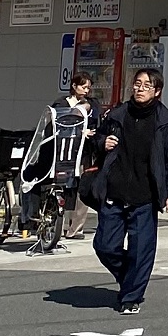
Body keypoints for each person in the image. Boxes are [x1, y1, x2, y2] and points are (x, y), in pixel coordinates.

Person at [92, 68, 168, 314]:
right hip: (114, 191)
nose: (140, 89)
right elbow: (97, 139)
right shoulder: (118, 115)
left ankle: (131, 297)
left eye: (147, 85)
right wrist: (103, 142)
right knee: (105, 246)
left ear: (157, 91)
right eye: (138, 83)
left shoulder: (166, 123)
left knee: (140, 250)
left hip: (145, 196)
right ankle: (129, 278)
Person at [57, 72, 99, 242]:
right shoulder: (61, 103)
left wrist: (90, 133)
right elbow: (56, 124)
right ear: (74, 86)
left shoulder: (92, 105)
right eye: (83, 86)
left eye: (88, 87)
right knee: (63, 188)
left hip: (84, 153)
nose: (86, 90)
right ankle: (59, 225)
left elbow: (96, 124)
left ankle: (76, 228)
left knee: (82, 189)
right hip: (64, 152)